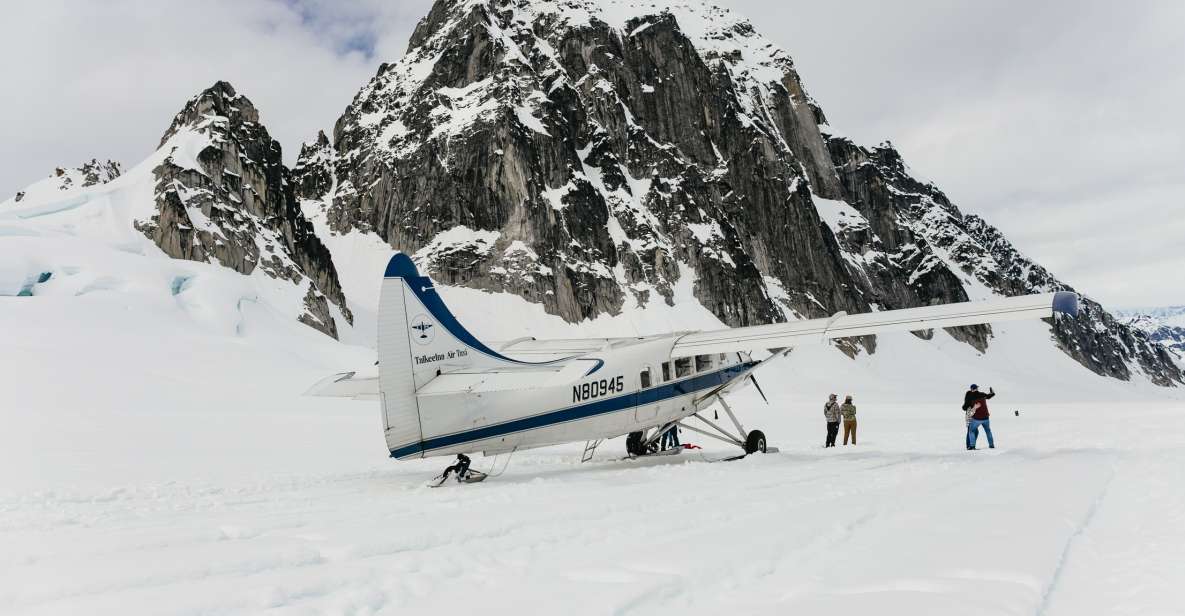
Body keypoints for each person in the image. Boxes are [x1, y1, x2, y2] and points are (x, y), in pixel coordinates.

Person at [963, 384, 996, 450]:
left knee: (971, 431)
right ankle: (991, 445)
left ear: (971, 389)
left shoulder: (969, 397)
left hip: (976, 418)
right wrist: (992, 393)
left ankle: (971, 446)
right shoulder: (982, 394)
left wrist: (971, 407)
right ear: (977, 388)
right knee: (988, 431)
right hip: (986, 417)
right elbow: (988, 396)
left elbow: (964, 408)